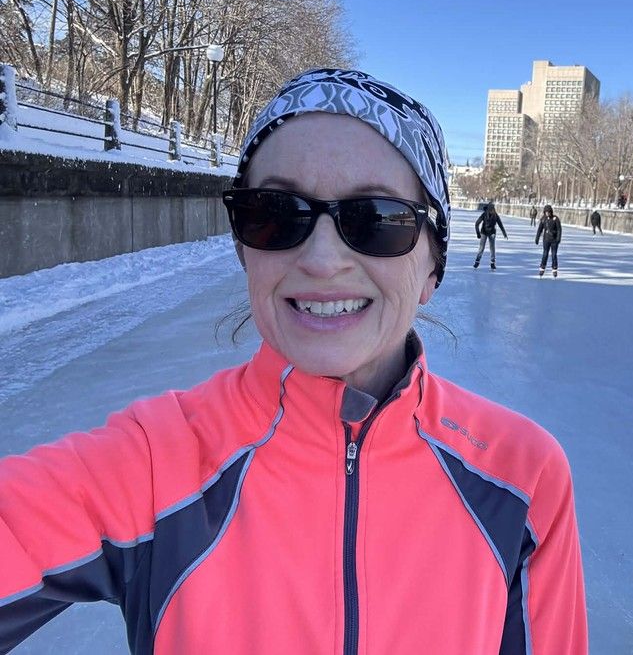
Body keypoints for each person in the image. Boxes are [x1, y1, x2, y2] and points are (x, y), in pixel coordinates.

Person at [0, 68, 587, 654]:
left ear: (433, 263)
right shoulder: (153, 464)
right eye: (276, 213)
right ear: (243, 248)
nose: (322, 258)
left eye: (376, 219)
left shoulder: (520, 479)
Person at [473, 201, 507, 270]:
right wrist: (478, 233)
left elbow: (500, 224)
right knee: (481, 248)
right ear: (488, 209)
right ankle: (477, 261)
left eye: (493, 209)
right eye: (491, 209)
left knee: (492, 248)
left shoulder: (495, 215)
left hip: (492, 233)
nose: (492, 210)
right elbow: (477, 223)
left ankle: (492, 263)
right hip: (484, 232)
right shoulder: (484, 214)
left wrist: (504, 233)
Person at [535, 204, 562, 277]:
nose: (547, 213)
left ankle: (554, 268)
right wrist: (537, 238)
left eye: (548, 212)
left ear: (551, 211)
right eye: (546, 212)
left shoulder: (555, 219)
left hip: (554, 240)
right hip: (546, 240)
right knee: (545, 254)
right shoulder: (543, 219)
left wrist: (558, 238)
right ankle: (542, 267)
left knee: (554, 255)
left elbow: (559, 229)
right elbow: (540, 229)